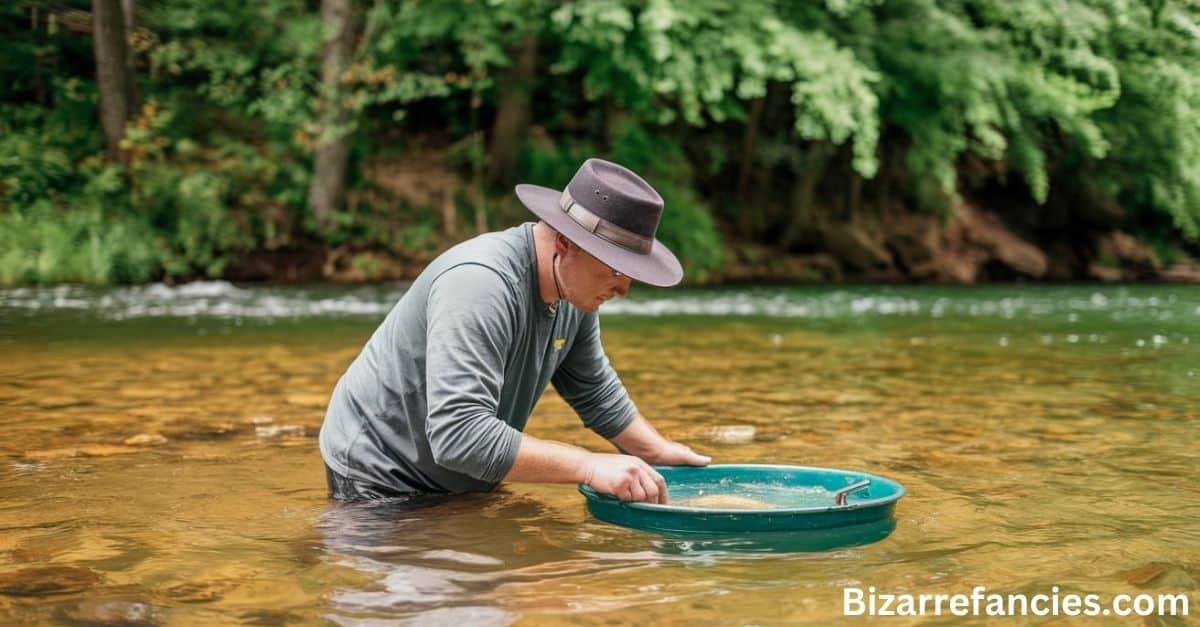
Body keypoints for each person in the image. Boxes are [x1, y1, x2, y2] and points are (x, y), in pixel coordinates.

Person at [318, 157, 710, 503]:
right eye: (616, 269)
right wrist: (590, 466)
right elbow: (460, 434)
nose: (624, 290)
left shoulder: (574, 293)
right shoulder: (479, 284)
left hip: (457, 483)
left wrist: (656, 452)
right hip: (379, 481)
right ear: (564, 242)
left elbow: (594, 390)